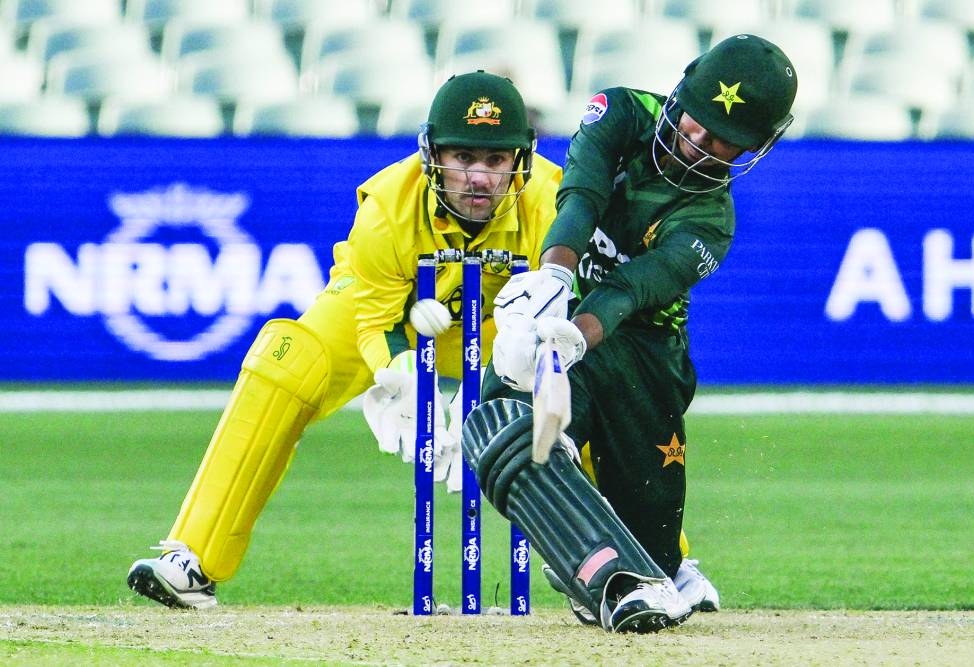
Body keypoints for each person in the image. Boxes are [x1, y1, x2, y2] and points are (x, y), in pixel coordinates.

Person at [126, 70, 563, 609]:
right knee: (286, 360)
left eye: (496, 161)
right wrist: (405, 384)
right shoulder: (388, 206)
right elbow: (376, 318)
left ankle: (648, 563)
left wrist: (531, 381)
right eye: (463, 158)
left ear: (520, 160)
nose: (479, 178)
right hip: (398, 317)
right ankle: (194, 557)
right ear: (433, 155)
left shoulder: (552, 200)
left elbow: (563, 314)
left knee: (594, 377)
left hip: (503, 324)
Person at [461, 34, 797, 633]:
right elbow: (582, 191)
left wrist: (567, 336)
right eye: (698, 121)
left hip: (645, 359)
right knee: (504, 423)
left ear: (753, 147)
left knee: (655, 540)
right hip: (572, 305)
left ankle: (664, 572)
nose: (699, 143)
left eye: (724, 140)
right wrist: (554, 278)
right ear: (683, 90)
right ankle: (592, 565)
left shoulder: (710, 222)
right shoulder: (619, 111)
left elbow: (632, 291)